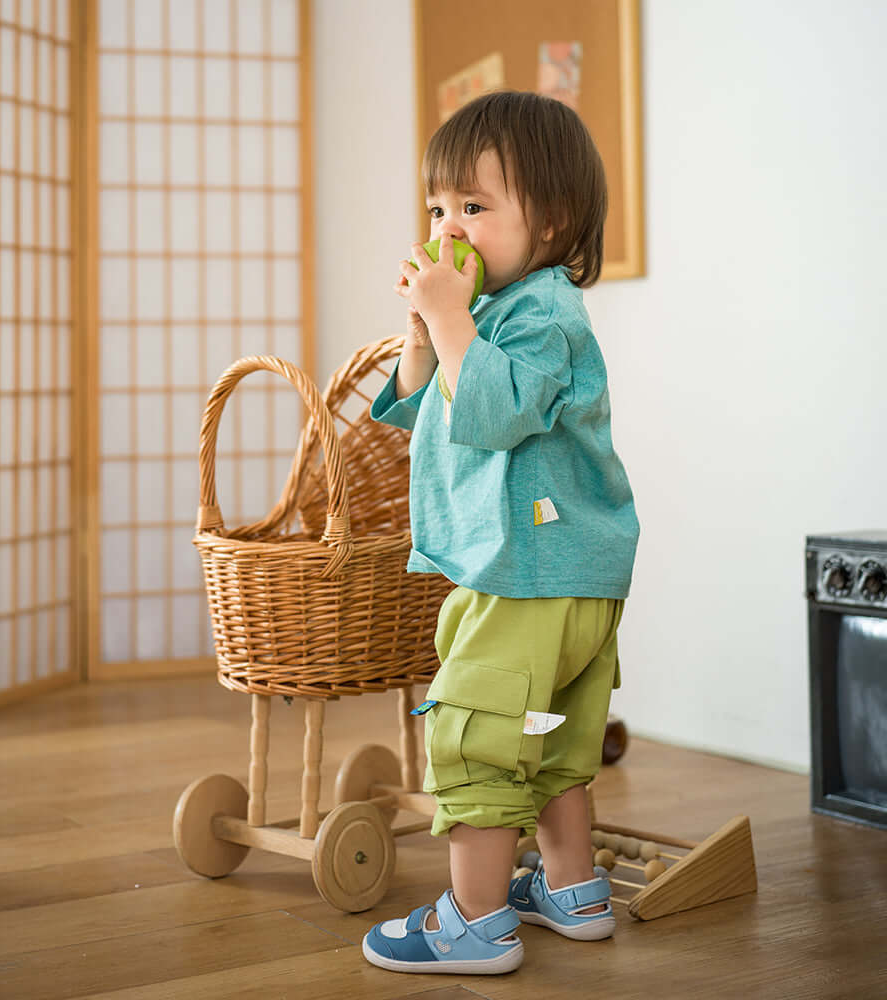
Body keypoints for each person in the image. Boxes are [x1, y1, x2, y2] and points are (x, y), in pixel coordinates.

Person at [361, 90, 639, 975]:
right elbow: (430, 413)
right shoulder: (495, 315)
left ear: (551, 221)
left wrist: (450, 321)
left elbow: (495, 410)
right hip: (559, 580)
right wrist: (426, 331)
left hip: (534, 578)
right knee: (550, 735)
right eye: (439, 209)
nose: (449, 230)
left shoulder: (546, 315)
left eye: (474, 209)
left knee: (479, 730)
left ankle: (474, 922)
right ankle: (572, 888)